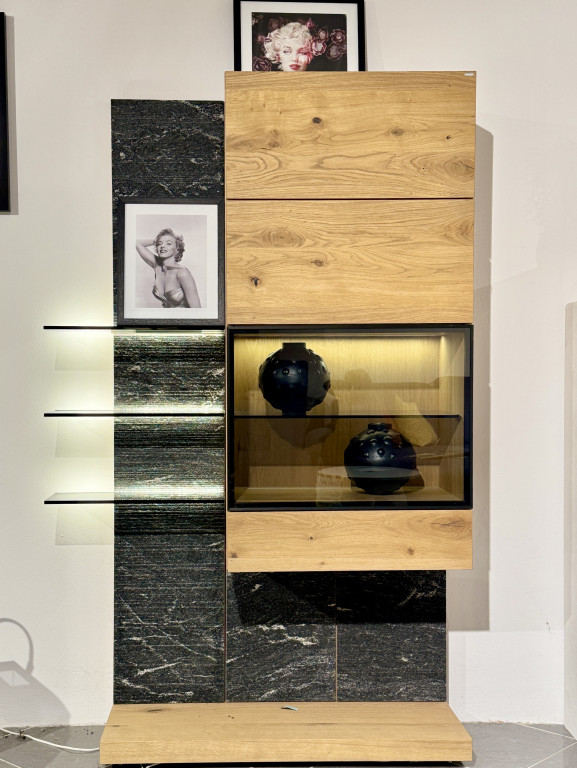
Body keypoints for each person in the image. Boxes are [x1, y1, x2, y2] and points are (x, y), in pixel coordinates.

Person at [136, 228, 201, 308]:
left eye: (168, 244)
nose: (162, 246)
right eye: (160, 244)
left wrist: (161, 241)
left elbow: (197, 309)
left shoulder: (182, 273)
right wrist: (156, 241)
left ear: (177, 249)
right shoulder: (157, 266)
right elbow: (136, 243)